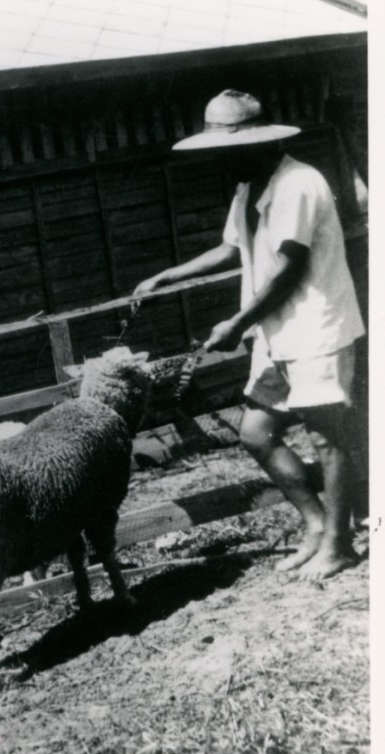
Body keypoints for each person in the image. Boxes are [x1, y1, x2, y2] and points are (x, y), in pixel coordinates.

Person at [132, 89, 366, 580]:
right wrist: (168, 275)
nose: (219, 158)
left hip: (316, 328)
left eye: (226, 149)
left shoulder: (299, 182)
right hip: (276, 334)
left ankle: (341, 543)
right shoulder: (249, 186)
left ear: (257, 142)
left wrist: (236, 324)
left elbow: (288, 269)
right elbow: (228, 248)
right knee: (256, 433)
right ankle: (318, 525)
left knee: (329, 438)